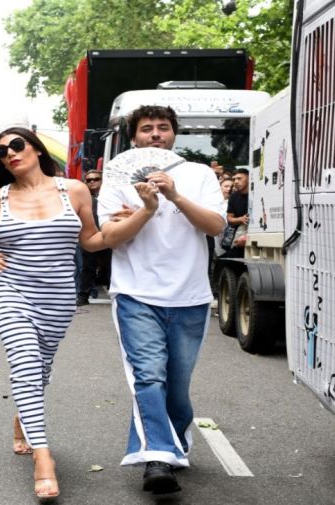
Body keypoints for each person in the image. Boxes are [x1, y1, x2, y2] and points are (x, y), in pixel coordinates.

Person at [0, 127, 105, 501]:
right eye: (2, 152)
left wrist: (138, 220)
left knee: (41, 369)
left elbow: (91, 239)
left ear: (35, 148)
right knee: (24, 363)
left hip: (58, 298)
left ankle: (23, 420)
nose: (10, 154)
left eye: (16, 145)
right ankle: (43, 457)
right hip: (9, 291)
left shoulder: (75, 190)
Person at [98, 105, 226, 495]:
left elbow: (215, 225)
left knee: (177, 385)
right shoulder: (118, 176)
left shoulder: (198, 174)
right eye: (147, 129)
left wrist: (174, 196)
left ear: (173, 135)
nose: (155, 135)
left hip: (189, 295)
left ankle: (173, 440)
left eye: (163, 128)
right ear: (134, 138)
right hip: (136, 293)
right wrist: (147, 210)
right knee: (149, 375)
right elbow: (110, 237)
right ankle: (156, 457)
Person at [76, 169, 112, 306]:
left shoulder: (110, 196)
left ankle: (115, 294)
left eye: (96, 179)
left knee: (112, 266)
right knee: (86, 268)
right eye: (89, 180)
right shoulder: (82, 198)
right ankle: (83, 295)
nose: (92, 182)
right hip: (88, 237)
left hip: (108, 236)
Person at [223, 168, 250, 258]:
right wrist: (240, 219)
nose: (236, 182)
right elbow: (229, 218)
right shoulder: (233, 196)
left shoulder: (256, 193)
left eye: (239, 178)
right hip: (238, 237)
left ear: (249, 178)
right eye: (234, 179)